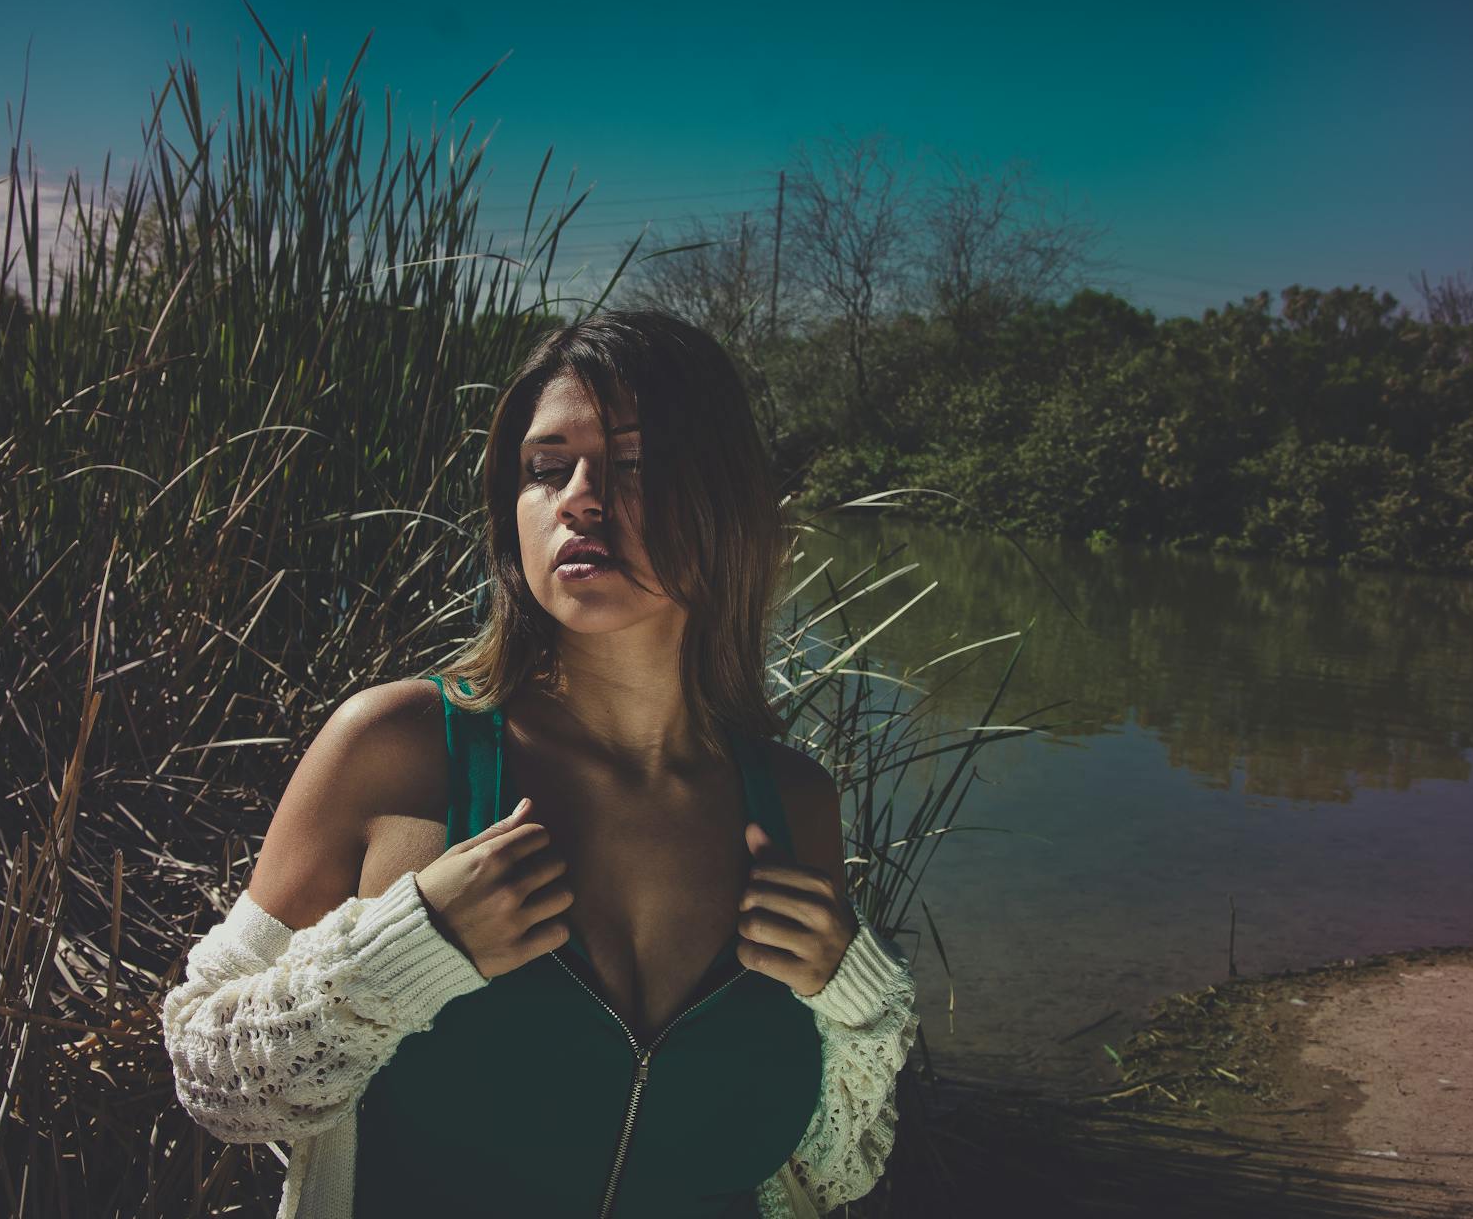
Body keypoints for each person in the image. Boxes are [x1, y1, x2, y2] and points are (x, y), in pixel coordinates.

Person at [162, 310, 919, 1218]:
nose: (580, 498)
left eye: (633, 464)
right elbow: (212, 1082)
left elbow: (831, 1168)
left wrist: (856, 994)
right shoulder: (398, 748)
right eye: (545, 468)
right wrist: (405, 955)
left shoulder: (796, 801)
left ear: (727, 498)